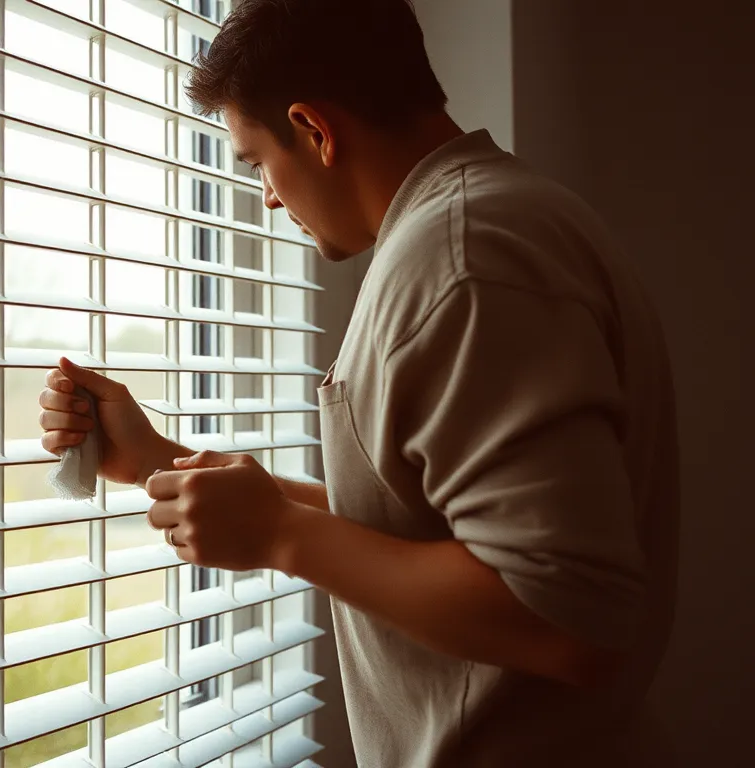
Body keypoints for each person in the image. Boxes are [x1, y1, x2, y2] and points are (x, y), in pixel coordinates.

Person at [38, 0, 679, 765]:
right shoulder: (496, 222)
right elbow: (419, 527)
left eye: (257, 164)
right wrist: (160, 464)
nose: (270, 199)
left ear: (313, 129)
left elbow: (568, 617)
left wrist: (281, 534)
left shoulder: (462, 258)